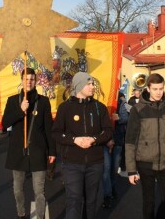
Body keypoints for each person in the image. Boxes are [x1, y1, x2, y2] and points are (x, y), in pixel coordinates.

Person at [52, 72, 113, 219]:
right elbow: (56, 133)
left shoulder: (100, 107)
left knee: (91, 202)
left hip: (95, 163)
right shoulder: (65, 108)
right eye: (89, 83)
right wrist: (74, 140)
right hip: (71, 163)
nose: (93, 86)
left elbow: (108, 131)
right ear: (79, 85)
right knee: (74, 200)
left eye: (93, 83)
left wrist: (93, 139)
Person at [125, 73, 165, 219]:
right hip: (145, 163)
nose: (158, 92)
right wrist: (131, 170)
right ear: (148, 89)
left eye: (161, 89)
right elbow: (130, 141)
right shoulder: (137, 110)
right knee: (149, 202)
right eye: (155, 89)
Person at [2, 68, 56, 219]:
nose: (29, 82)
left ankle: (40, 216)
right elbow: (5, 123)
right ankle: (21, 214)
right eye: (26, 79)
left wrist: (52, 151)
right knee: (17, 189)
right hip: (18, 152)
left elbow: (48, 128)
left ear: (36, 81)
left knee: (39, 191)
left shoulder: (43, 101)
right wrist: (20, 110)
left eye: (32, 79)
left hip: (38, 151)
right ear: (21, 80)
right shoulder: (12, 100)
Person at [102, 92, 129, 209]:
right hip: (105, 142)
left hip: (117, 141)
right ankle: (107, 195)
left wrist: (117, 118)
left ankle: (112, 187)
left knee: (113, 169)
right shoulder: (102, 102)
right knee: (106, 169)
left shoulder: (122, 102)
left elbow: (126, 118)